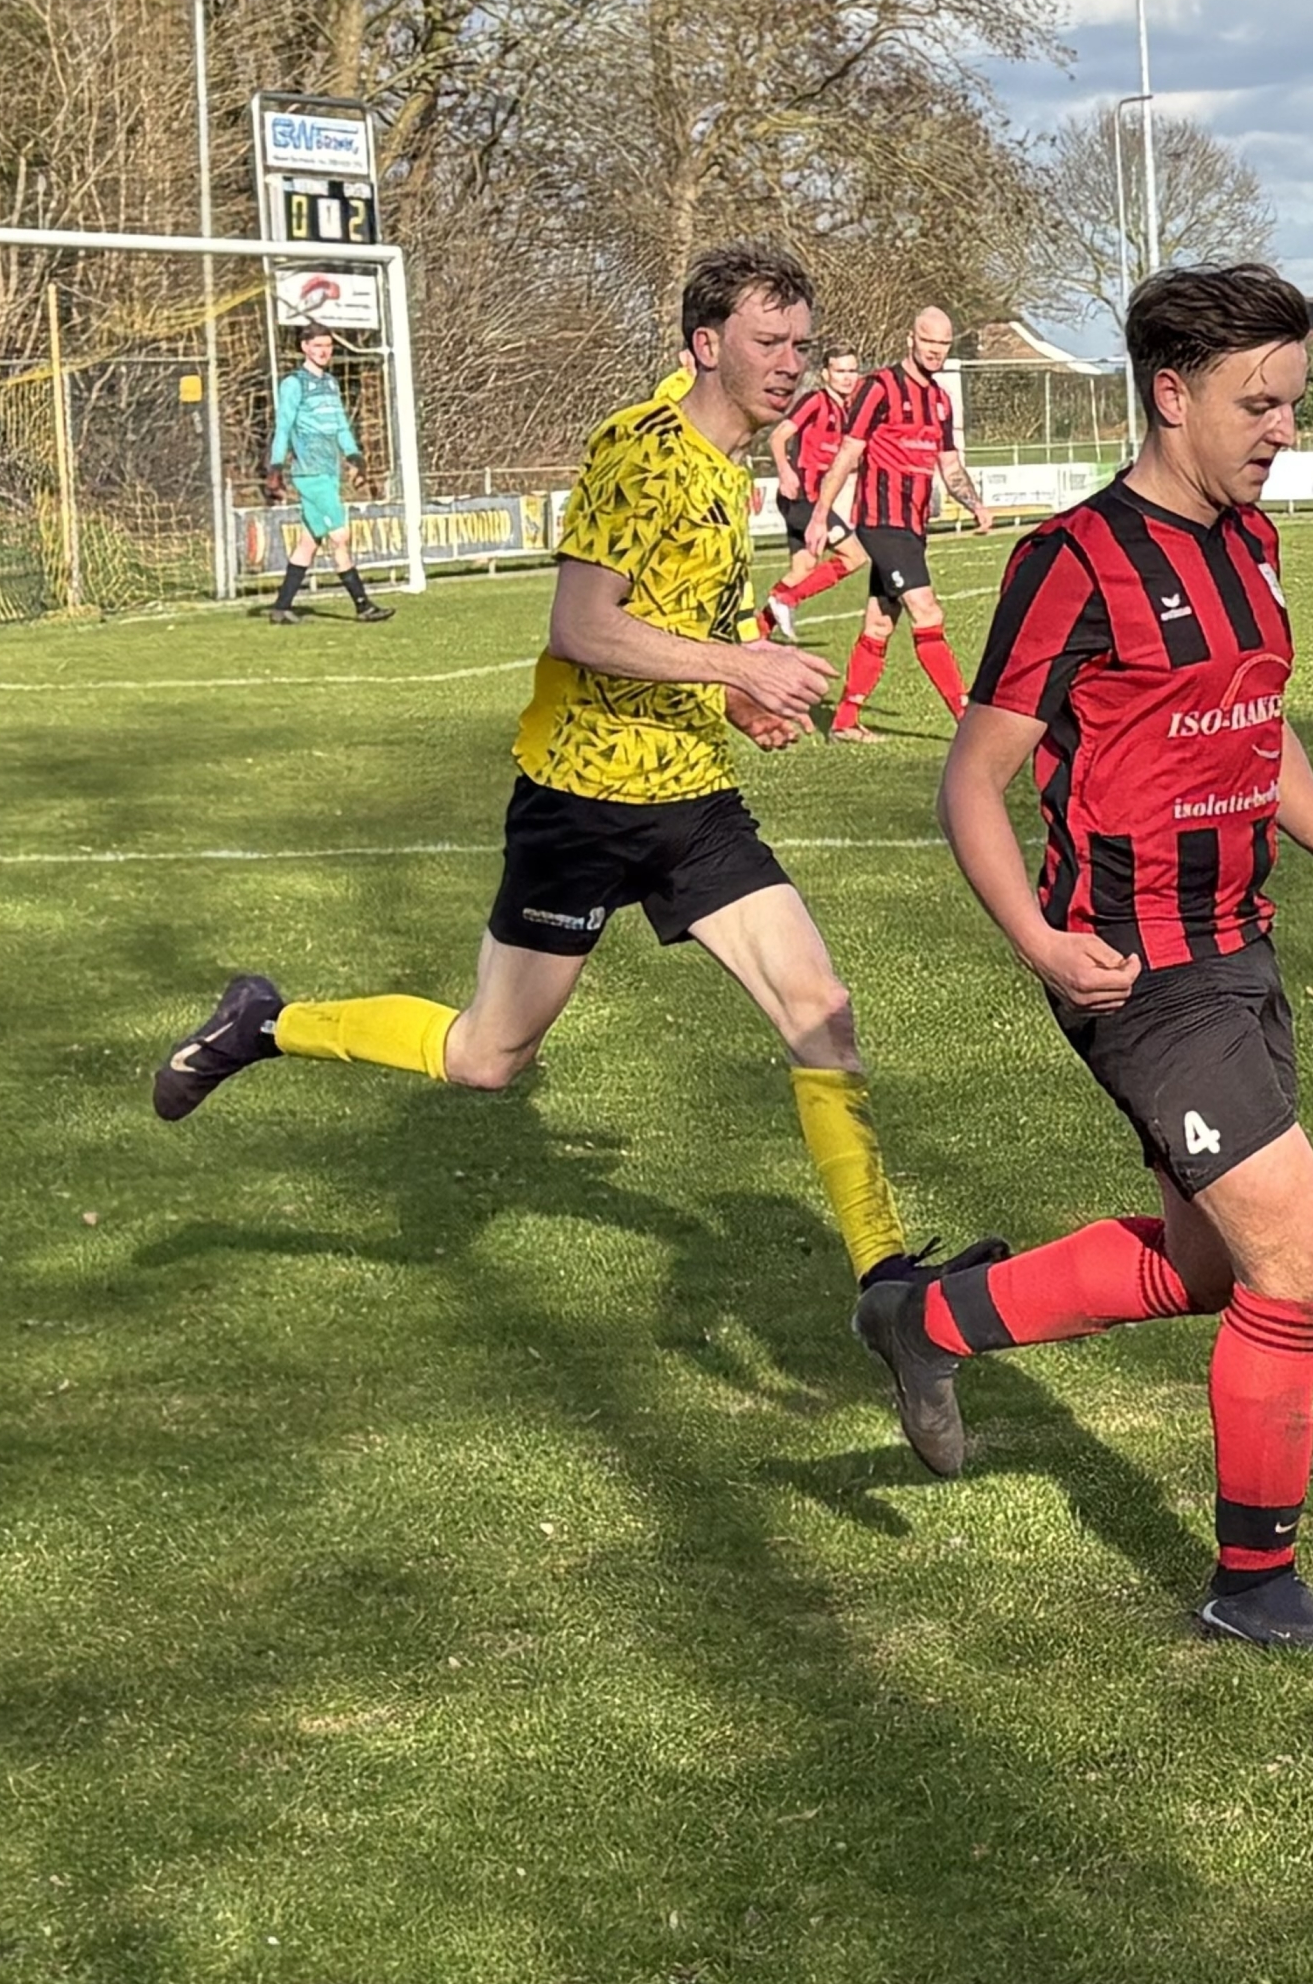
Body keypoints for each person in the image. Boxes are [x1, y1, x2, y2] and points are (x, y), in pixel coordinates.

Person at [154, 242, 979, 1315]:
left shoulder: (725, 476)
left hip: (689, 798)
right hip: (581, 804)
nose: (789, 364)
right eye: (767, 343)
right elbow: (582, 626)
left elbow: (670, 624)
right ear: (705, 344)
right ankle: (264, 1022)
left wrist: (735, 698)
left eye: (801, 345)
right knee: (487, 1057)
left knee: (820, 1006)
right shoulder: (641, 451)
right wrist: (742, 661)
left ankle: (886, 1280)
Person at [867, 262, 1313, 1656]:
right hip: (1139, 973)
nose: (1285, 427)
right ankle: (1254, 1583)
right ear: (1171, 394)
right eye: (1262, 402)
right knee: (1298, 1255)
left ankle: (925, 1317)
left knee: (1211, 1265)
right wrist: (1042, 940)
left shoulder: (1249, 543)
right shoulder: (1073, 561)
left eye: (1292, 399)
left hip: (1243, 947)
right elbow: (971, 782)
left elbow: (1254, 714)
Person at [805, 306, 996, 739]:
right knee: (927, 611)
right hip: (881, 522)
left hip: (912, 527)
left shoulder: (941, 401)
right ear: (911, 340)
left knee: (879, 621)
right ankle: (965, 718)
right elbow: (848, 454)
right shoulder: (879, 389)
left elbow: (949, 465)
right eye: (928, 342)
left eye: (943, 344)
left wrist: (976, 505)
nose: (935, 351)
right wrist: (821, 515)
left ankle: (846, 720)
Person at [260, 325, 391, 624]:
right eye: (318, 345)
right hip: (310, 473)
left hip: (330, 471)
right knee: (340, 535)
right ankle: (363, 605)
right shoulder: (294, 384)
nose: (324, 351)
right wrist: (276, 468)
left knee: (309, 541)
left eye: (329, 346)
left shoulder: (331, 383)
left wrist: (356, 457)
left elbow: (341, 426)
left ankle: (281, 607)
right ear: (304, 347)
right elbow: (283, 427)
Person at [757, 344, 868, 644]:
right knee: (855, 557)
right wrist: (784, 470)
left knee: (802, 569)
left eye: (852, 371)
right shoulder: (815, 401)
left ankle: (756, 634)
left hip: (813, 500)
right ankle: (788, 601)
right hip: (801, 498)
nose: (847, 377)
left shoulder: (849, 411)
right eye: (840, 371)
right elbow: (778, 437)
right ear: (825, 374)